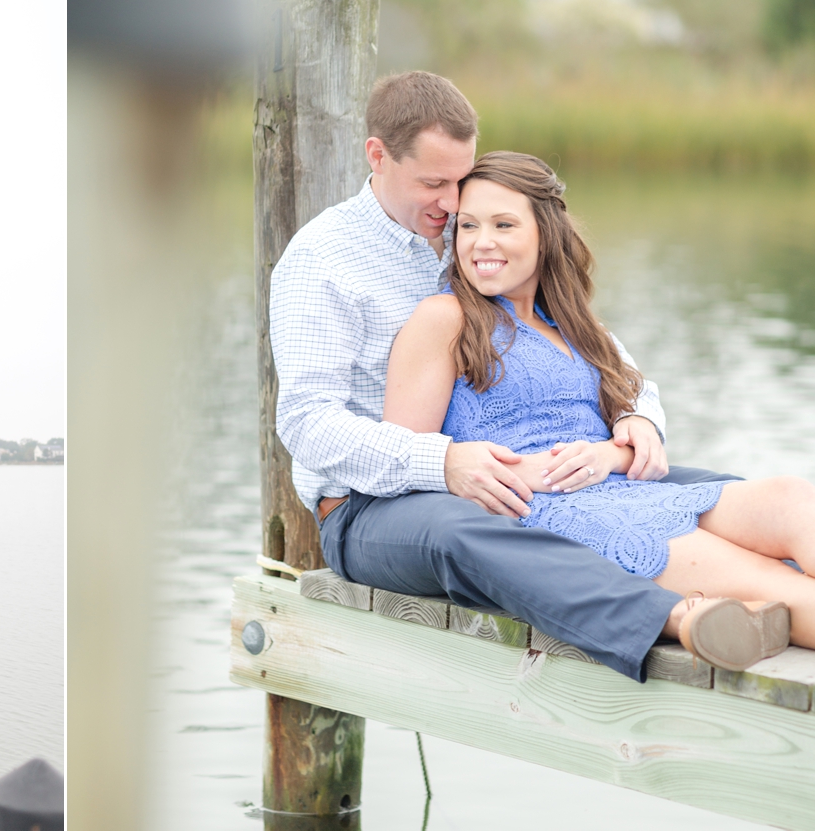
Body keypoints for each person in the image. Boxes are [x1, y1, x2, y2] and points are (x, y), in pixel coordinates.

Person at [269, 70, 736, 682]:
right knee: (467, 532)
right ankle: (671, 619)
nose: (452, 204)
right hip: (369, 508)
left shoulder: (470, 232)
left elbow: (593, 347)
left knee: (698, 487)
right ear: (377, 157)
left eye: (459, 181)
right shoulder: (322, 260)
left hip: (517, 469)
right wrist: (441, 463)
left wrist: (636, 419)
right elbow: (306, 423)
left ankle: (769, 580)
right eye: (432, 183)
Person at [383, 150, 808, 668]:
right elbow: (401, 458)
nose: (481, 241)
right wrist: (495, 468)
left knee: (791, 497)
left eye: (503, 224)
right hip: (560, 512)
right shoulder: (445, 317)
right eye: (468, 225)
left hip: (626, 487)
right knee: (775, 584)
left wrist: (613, 449)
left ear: (545, 232)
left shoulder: (570, 326)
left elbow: (630, 405)